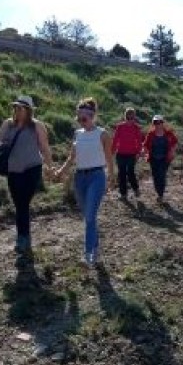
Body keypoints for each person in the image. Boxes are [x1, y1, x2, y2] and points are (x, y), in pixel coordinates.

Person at [56, 98, 115, 268]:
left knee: (89, 217)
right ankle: (95, 246)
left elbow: (109, 158)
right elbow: (71, 157)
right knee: (88, 216)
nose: (81, 121)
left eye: (84, 118)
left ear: (92, 116)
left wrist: (111, 177)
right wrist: (61, 171)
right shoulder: (77, 134)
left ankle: (89, 254)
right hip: (80, 178)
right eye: (78, 118)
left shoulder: (102, 134)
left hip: (97, 177)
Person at [0, 96, 55, 259]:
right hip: (13, 170)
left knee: (23, 203)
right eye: (16, 107)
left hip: (32, 169)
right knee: (19, 205)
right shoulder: (7, 124)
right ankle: (23, 237)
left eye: (21, 108)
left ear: (28, 110)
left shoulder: (37, 126)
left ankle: (23, 238)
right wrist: (3, 143)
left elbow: (44, 147)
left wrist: (50, 167)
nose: (17, 110)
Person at [142, 115, 178, 203]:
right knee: (155, 176)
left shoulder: (168, 133)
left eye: (159, 122)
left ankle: (160, 195)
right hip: (153, 158)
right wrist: (144, 152)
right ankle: (158, 192)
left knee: (162, 175)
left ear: (162, 123)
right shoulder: (151, 134)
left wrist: (172, 151)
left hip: (165, 158)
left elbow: (175, 142)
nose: (158, 124)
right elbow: (145, 145)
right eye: (155, 122)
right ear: (153, 124)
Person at [111, 107, 142, 201]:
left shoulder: (136, 128)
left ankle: (136, 189)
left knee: (130, 173)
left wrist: (138, 152)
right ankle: (123, 194)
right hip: (120, 153)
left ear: (134, 118)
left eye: (131, 118)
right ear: (125, 118)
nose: (129, 121)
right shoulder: (120, 127)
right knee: (121, 174)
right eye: (128, 118)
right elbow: (115, 140)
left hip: (132, 154)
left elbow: (139, 142)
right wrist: (112, 151)